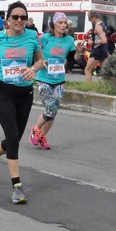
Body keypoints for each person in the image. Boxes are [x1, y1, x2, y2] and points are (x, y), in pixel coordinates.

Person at [0, 1, 44, 204]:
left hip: (24, 93)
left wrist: (32, 69)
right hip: (3, 91)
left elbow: (40, 61)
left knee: (14, 137)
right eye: (15, 17)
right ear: (7, 19)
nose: (19, 21)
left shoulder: (32, 37)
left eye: (23, 17)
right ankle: (17, 186)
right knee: (13, 136)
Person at [29, 12, 83, 150]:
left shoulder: (69, 40)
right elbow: (34, 53)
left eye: (65, 23)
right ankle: (36, 129)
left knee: (53, 111)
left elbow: (75, 59)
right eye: (60, 22)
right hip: (43, 78)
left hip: (59, 79)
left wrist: (79, 51)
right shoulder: (45, 38)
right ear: (53, 25)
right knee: (51, 107)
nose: (64, 25)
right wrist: (40, 61)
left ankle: (42, 136)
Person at [84, 11, 108, 81]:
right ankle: (108, 88)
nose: (89, 20)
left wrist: (93, 42)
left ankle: (87, 89)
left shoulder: (98, 27)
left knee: (87, 70)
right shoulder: (102, 24)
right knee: (105, 72)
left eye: (90, 18)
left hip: (97, 50)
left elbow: (104, 40)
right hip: (103, 50)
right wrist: (92, 33)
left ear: (94, 17)